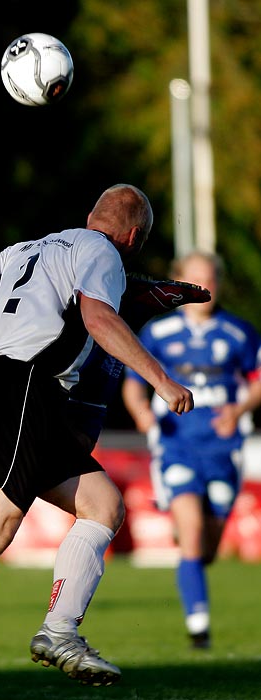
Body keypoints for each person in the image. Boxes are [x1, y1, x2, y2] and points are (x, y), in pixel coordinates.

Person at [0, 183, 194, 697]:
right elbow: (98, 318)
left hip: (6, 389)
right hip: (20, 388)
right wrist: (160, 379)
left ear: (89, 216)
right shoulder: (102, 251)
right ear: (132, 236)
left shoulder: (29, 248)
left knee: (102, 505)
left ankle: (60, 632)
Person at [122, 250, 261, 649]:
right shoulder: (159, 332)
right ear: (179, 284)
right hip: (176, 444)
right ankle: (199, 628)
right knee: (194, 531)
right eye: (196, 281)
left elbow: (257, 379)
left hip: (223, 449)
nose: (206, 289)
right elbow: (134, 382)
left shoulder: (239, 332)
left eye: (211, 280)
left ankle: (190, 543)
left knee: (208, 548)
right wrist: (141, 415)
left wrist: (240, 409)